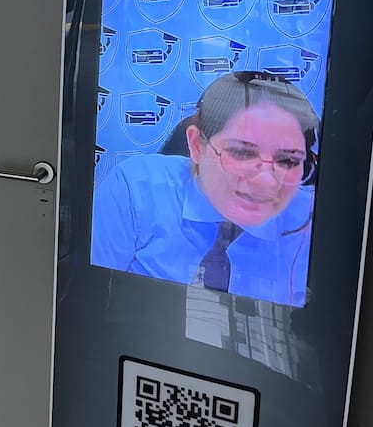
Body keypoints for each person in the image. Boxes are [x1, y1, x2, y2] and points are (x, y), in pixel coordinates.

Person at [91, 71, 318, 306]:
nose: (266, 181)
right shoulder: (135, 188)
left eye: (288, 161)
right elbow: (90, 299)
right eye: (242, 152)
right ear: (196, 145)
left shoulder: (311, 225)